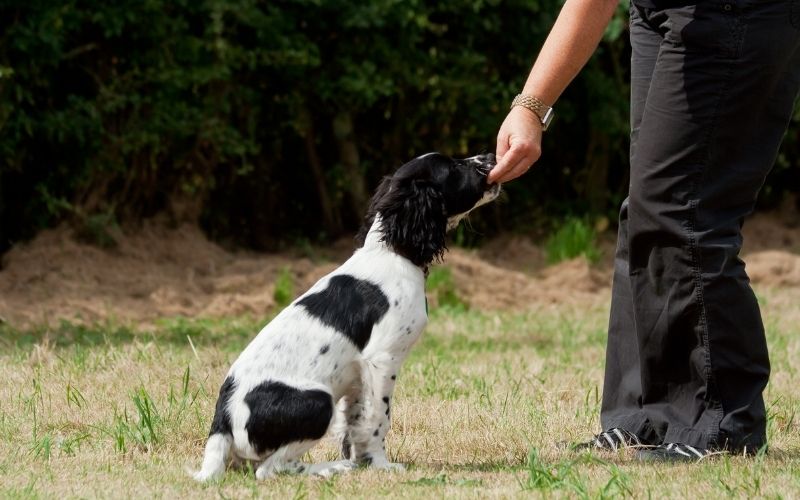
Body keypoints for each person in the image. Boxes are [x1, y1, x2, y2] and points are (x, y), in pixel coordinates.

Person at [490, 0, 800, 462]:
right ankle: (643, 417)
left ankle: (720, 422)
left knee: (682, 208)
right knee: (646, 212)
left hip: (734, 12)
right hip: (660, 10)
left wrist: (532, 106)